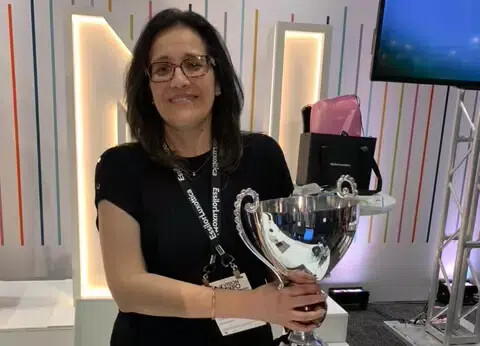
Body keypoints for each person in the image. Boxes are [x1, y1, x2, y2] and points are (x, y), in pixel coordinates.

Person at [95, 8, 326, 346]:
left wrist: (300, 298)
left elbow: (287, 261)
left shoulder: (262, 157)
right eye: (162, 69)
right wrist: (249, 303)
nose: (179, 80)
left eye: (193, 63)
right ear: (148, 87)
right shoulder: (120, 167)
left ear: (218, 80)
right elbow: (129, 288)